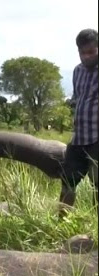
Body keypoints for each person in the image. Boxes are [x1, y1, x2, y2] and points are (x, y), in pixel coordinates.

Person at [59, 28, 98, 216]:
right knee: (67, 183)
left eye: (91, 52)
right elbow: (77, 98)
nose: (87, 57)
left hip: (97, 138)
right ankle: (60, 225)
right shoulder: (77, 71)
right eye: (83, 53)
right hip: (79, 138)